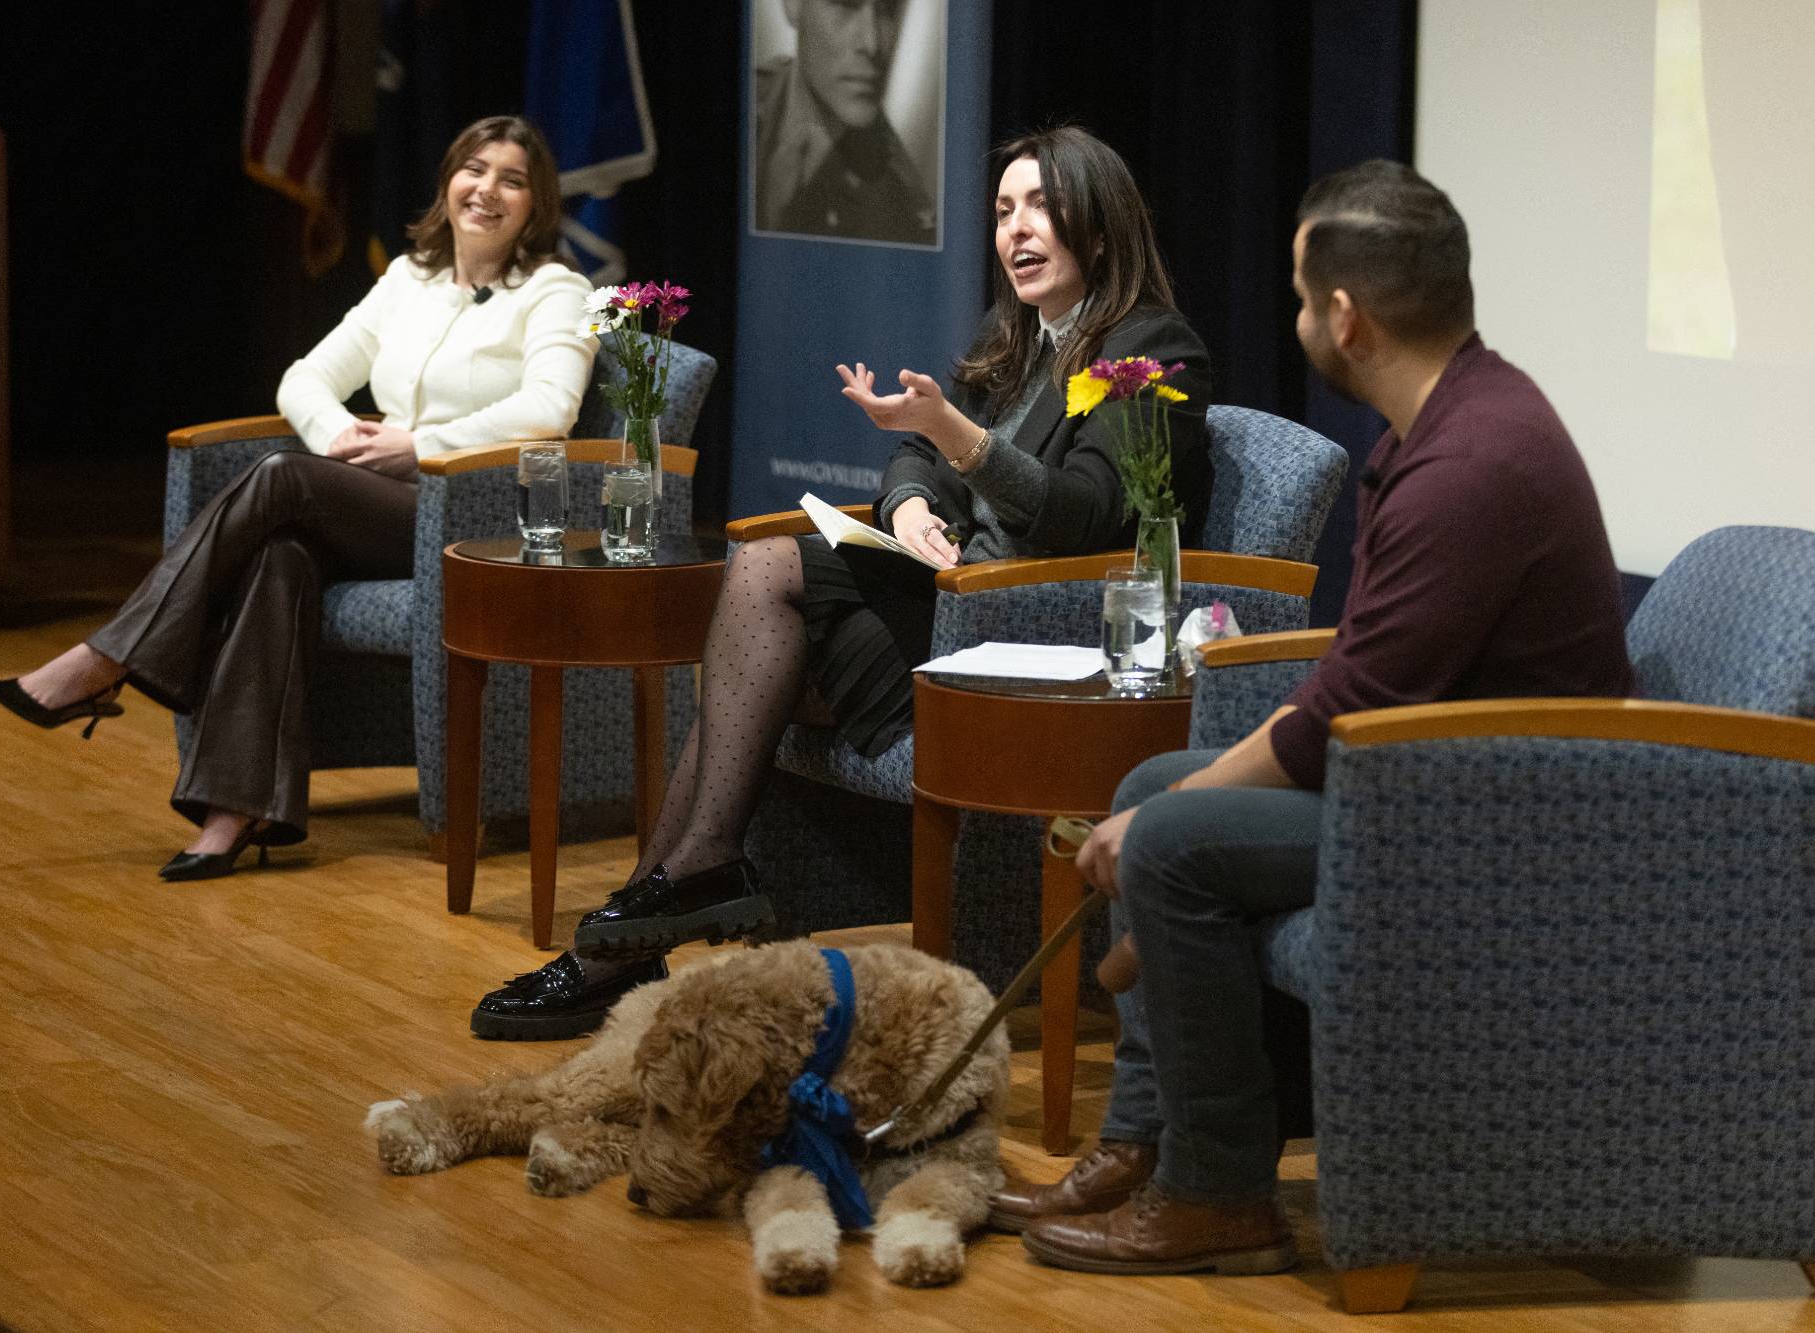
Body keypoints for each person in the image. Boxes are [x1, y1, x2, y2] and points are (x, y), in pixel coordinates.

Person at [992, 161, 1636, 1276]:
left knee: (1175, 837)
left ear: (1345, 316)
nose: (1295, 320)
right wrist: (1175, 796)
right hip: (1431, 774)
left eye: (1299, 298)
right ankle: (1143, 1146)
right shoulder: (1449, 419)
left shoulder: (1470, 464)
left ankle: (1219, 1195)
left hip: (1508, 818)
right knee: (1154, 792)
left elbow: (1359, 703)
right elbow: (1364, 672)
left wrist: (1181, 810)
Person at [472, 125, 1214, 1040]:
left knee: (768, 584)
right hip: (951, 605)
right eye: (1002, 211)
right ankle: (650, 917)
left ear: (1098, 229)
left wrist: (960, 439)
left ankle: (645, 922)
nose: (1016, 231)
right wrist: (906, 503)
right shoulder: (1021, 334)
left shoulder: (1154, 348)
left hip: (1036, 633)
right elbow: (919, 451)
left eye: (1040, 209)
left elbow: (1084, 514)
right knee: (754, 647)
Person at [0, 116, 595, 880]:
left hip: (476, 511)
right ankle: (237, 811)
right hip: (377, 498)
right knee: (281, 554)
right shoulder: (410, 280)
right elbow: (304, 380)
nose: (488, 190)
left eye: (512, 179)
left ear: (536, 206)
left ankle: (109, 657)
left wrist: (418, 445)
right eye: (475, 169)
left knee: (280, 477)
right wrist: (342, 436)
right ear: (447, 183)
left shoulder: (556, 291)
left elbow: (549, 410)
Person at [753, 0, 936, 245]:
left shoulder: (902, 217)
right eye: (846, 5)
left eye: (889, 10)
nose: (872, 42)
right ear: (793, 5)